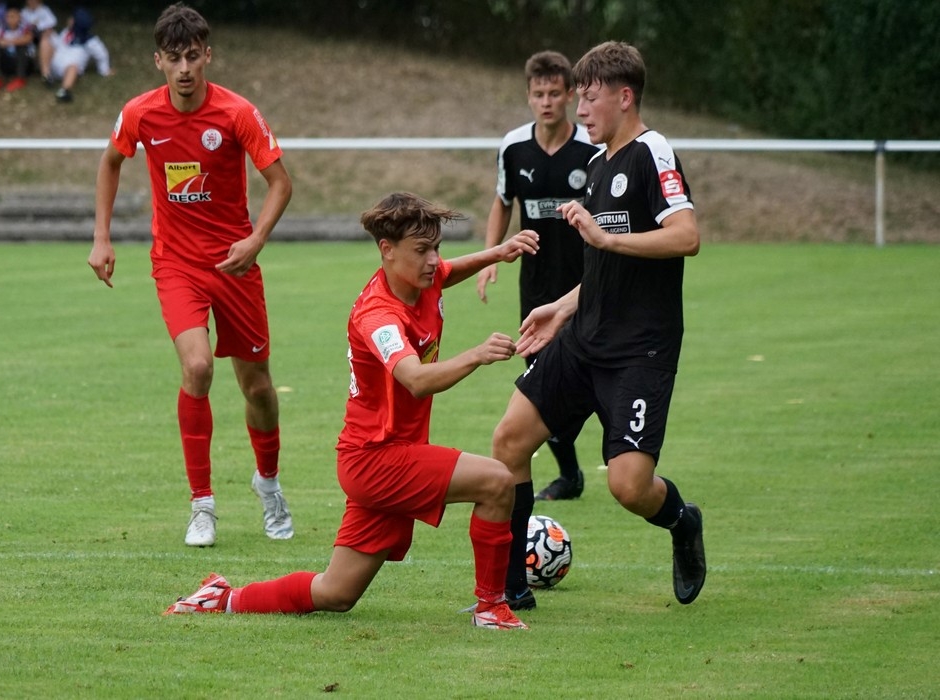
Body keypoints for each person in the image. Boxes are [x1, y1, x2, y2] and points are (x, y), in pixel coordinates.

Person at [164, 192, 539, 630]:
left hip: (377, 456)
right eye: (422, 250)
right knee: (497, 481)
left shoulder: (423, 277)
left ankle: (222, 598)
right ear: (387, 249)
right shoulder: (379, 315)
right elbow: (415, 379)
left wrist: (497, 252)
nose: (434, 260)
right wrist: (476, 354)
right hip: (378, 458)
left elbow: (448, 271)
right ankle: (491, 607)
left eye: (436, 248)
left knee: (336, 593)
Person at [490, 40, 707, 607]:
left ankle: (682, 521)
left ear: (625, 97)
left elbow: (686, 236)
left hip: (640, 349)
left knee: (628, 486)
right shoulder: (595, 163)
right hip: (583, 339)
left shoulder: (652, 151)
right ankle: (511, 591)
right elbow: (605, 268)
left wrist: (607, 239)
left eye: (590, 99)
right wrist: (563, 307)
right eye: (579, 99)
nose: (580, 110)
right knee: (509, 440)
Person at [88, 3, 294, 548]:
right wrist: (102, 237)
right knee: (197, 367)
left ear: (208, 56)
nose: (184, 68)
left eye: (193, 56)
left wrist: (256, 239)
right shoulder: (140, 113)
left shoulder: (237, 113)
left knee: (258, 387)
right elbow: (110, 161)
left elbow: (280, 182)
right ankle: (202, 506)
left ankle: (269, 482)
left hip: (235, 265)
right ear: (158, 61)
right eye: (173, 58)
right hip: (176, 265)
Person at [476, 50, 601, 507]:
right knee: (540, 378)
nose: (546, 102)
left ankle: (618, 461)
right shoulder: (513, 147)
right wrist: (490, 256)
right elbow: (502, 201)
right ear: (528, 96)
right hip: (535, 286)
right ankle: (570, 474)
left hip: (586, 283)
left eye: (554, 93)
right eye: (538, 94)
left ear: (569, 95)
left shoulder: (592, 148)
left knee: (588, 376)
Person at [46, 7, 112, 103]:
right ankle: (46, 75)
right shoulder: (66, 32)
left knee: (73, 68)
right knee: (45, 42)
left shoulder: (90, 41)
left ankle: (64, 90)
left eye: (72, 19)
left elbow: (102, 55)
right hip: (53, 62)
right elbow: (58, 44)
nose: (69, 20)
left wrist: (104, 70)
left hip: (67, 69)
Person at [0, 4, 32, 94]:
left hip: (22, 63)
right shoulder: (1, 28)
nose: (10, 19)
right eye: (7, 17)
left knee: (22, 46)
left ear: (19, 17)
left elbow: (28, 39)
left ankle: (20, 79)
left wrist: (9, 42)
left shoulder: (24, 28)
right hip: (6, 62)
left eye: (13, 16)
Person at [19, 0, 53, 81]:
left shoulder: (44, 10)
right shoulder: (24, 12)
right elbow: (21, 25)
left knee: (45, 40)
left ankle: (45, 71)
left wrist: (37, 26)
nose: (32, 2)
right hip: (28, 35)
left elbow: (51, 23)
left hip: (41, 34)